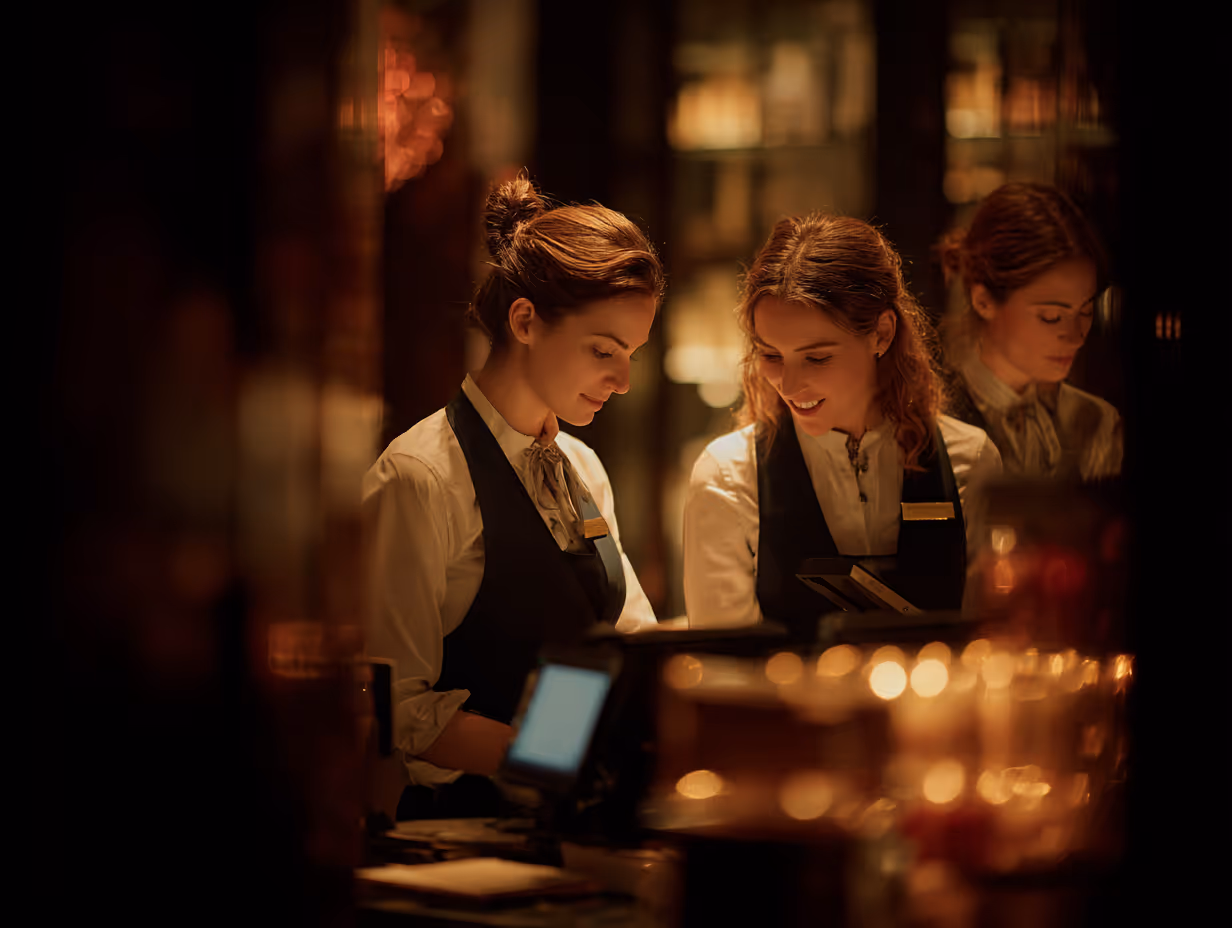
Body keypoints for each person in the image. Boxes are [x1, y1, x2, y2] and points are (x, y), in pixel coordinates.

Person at [363, 175, 663, 819]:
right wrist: (553, 755)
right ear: (525, 320)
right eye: (604, 350)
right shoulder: (419, 476)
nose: (624, 380)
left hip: (576, 823)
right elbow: (398, 708)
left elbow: (630, 643)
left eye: (632, 354)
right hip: (462, 838)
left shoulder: (582, 467)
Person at [683, 214, 1001, 638]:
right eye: (771, 355)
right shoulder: (726, 475)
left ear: (882, 334)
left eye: (816, 357)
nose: (790, 385)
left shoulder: (972, 459)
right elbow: (722, 669)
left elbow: (991, 646)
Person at [937, 182, 1121, 481]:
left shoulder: (1096, 424)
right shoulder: (931, 424)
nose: (1076, 336)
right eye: (1051, 316)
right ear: (983, 301)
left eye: (1086, 312)